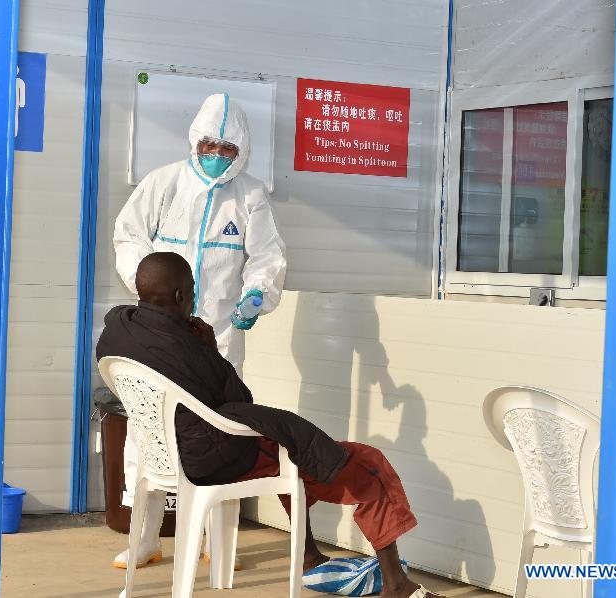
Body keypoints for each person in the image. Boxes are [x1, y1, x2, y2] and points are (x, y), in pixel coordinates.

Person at [96, 252, 441, 598]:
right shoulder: (187, 345)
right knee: (365, 463)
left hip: (165, 457)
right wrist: (210, 348)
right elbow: (239, 398)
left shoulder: (116, 334)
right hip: (213, 458)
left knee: (287, 449)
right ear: (182, 296)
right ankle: (396, 584)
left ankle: (308, 557)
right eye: (191, 290)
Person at [111, 93, 286, 568]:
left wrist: (257, 296)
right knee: (148, 430)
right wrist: (150, 289)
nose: (217, 155)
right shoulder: (163, 183)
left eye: (228, 149)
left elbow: (267, 257)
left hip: (221, 340)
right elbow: (128, 236)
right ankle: (144, 539)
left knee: (223, 433)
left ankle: (216, 544)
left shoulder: (249, 195)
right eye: (209, 144)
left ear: (242, 151)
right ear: (195, 140)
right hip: (161, 338)